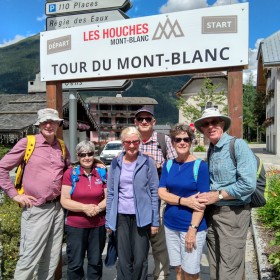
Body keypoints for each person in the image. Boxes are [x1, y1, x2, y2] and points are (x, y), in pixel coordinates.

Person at [0, 108, 70, 280]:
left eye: (52, 121)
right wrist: (14, 194)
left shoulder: (61, 145)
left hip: (57, 208)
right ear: (38, 124)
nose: (49, 125)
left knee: (52, 257)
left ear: (57, 124)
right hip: (36, 209)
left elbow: (69, 171)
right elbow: (2, 167)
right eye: (45, 122)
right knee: (29, 258)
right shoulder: (28, 143)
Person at [194, 107, 257, 280]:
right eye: (206, 124)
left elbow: (248, 184)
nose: (210, 126)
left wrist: (218, 195)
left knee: (229, 269)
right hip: (213, 213)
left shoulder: (237, 145)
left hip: (233, 214)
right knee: (215, 264)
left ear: (222, 123)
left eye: (214, 122)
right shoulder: (212, 149)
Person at [106, 126, 160, 280]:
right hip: (121, 216)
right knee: (123, 259)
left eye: (135, 142)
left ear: (139, 142)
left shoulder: (148, 162)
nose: (131, 145)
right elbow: (110, 193)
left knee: (140, 259)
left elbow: (154, 193)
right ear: (123, 143)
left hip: (141, 217)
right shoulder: (116, 163)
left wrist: (155, 221)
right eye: (128, 142)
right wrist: (109, 221)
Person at [158, 123, 210, 280]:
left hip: (190, 227)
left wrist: (192, 230)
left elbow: (202, 202)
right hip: (170, 225)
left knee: (191, 272)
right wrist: (183, 201)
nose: (182, 142)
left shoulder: (200, 166)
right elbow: (161, 192)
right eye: (177, 139)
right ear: (172, 142)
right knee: (178, 269)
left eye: (186, 139)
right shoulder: (168, 164)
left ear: (191, 141)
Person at [134, 105, 177, 280]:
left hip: (158, 198)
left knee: (159, 242)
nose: (144, 122)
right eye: (140, 119)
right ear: (135, 122)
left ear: (154, 121)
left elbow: (176, 166)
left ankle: (161, 275)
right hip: (136, 200)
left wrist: (159, 166)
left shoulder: (163, 140)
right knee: (139, 242)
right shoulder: (131, 140)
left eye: (147, 119)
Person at [61, 140, 107, 280]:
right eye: (83, 154)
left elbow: (109, 196)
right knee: (75, 263)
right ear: (78, 156)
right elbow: (64, 200)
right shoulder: (70, 173)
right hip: (76, 226)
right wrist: (84, 208)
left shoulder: (101, 172)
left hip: (97, 225)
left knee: (95, 263)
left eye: (90, 153)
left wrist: (97, 208)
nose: (86, 157)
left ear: (94, 155)